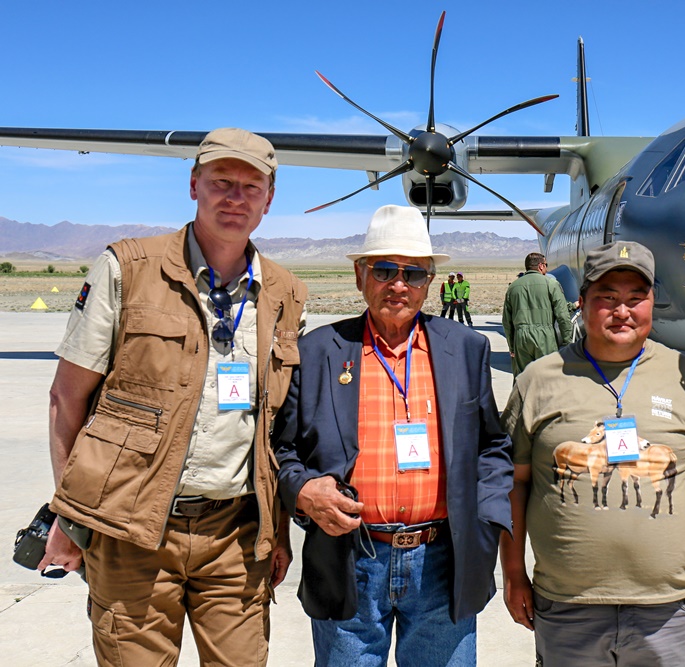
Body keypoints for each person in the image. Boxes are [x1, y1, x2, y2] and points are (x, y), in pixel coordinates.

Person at [40, 128, 307, 665]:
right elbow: (67, 401)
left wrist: (277, 532)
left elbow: (274, 430)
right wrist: (69, 520)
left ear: (269, 199)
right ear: (194, 186)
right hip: (132, 531)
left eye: (251, 187)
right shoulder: (127, 268)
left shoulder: (284, 293)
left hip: (236, 537)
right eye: (221, 182)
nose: (235, 197)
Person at [272, 204, 513, 666]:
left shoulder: (465, 349)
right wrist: (302, 491)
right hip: (351, 558)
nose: (398, 284)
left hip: (444, 559)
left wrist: (486, 521)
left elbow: (493, 447)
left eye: (414, 274)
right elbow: (281, 450)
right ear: (361, 275)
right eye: (384, 270)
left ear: (430, 283)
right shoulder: (320, 351)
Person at [501, 241, 685, 666]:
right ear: (582, 303)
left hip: (667, 606)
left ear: (651, 305)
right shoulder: (538, 380)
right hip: (567, 604)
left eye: (635, 298)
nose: (621, 311)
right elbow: (514, 483)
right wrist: (513, 574)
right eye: (606, 297)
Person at [502, 252, 573, 376]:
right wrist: (568, 343)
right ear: (540, 266)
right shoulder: (551, 284)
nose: (546, 267)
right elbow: (563, 316)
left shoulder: (513, 287)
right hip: (544, 337)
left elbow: (506, 321)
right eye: (546, 265)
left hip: (521, 339)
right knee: (548, 378)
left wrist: (512, 346)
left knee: (523, 381)